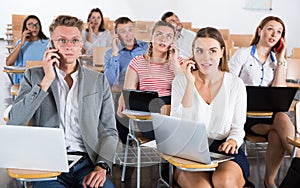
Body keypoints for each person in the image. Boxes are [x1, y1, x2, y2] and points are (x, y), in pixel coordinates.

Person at [7, 15, 118, 188]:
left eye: (74, 40)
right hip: (47, 163)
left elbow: (110, 130)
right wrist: (46, 81)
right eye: (62, 40)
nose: (69, 46)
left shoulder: (98, 81)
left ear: (81, 45)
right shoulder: (34, 76)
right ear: (50, 45)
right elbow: (15, 120)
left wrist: (102, 166)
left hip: (86, 162)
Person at [171, 27, 250, 187]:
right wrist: (189, 84)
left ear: (221, 52)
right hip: (190, 150)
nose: (206, 57)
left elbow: (238, 127)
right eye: (199, 51)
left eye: (212, 51)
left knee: (224, 181)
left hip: (224, 149)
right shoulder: (180, 81)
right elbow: (178, 124)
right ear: (192, 53)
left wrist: (233, 141)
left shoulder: (236, 84)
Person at [229, 16, 298, 188]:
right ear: (260, 31)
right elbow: (228, 85)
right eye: (270, 29)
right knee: (279, 129)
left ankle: (269, 181)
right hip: (245, 116)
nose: (274, 34)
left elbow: (279, 91)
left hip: (271, 116)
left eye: (279, 32)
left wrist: (281, 59)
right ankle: (297, 161)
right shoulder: (243, 54)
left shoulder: (278, 62)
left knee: (279, 125)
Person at [117, 20, 183, 140]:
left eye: (169, 36)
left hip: (173, 115)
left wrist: (174, 61)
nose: (163, 39)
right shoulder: (137, 62)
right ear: (151, 37)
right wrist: (122, 98)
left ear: (173, 41)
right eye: (159, 34)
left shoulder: (179, 62)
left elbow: (184, 89)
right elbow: (129, 93)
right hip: (148, 114)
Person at [104, 17, 148, 144]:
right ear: (117, 35)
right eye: (123, 31)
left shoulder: (146, 48)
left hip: (145, 92)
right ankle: (127, 144)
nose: (128, 35)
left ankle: (145, 139)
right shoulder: (110, 54)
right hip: (123, 95)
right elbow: (109, 81)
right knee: (117, 103)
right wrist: (116, 54)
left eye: (130, 30)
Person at [6, 15, 48, 84]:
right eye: (30, 24)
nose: (34, 27)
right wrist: (21, 44)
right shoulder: (20, 43)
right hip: (26, 82)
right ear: (25, 28)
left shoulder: (47, 43)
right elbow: (9, 63)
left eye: (37, 24)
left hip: (43, 81)